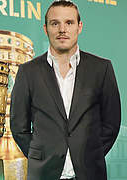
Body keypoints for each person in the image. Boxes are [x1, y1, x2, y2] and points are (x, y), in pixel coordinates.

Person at [10, 1, 121, 180]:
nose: (62, 29)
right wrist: (40, 154)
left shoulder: (102, 68)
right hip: (43, 174)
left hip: (90, 173)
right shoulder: (27, 71)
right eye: (55, 23)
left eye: (69, 23)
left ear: (79, 27)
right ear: (46, 29)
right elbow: (19, 127)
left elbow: (111, 123)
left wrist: (91, 152)